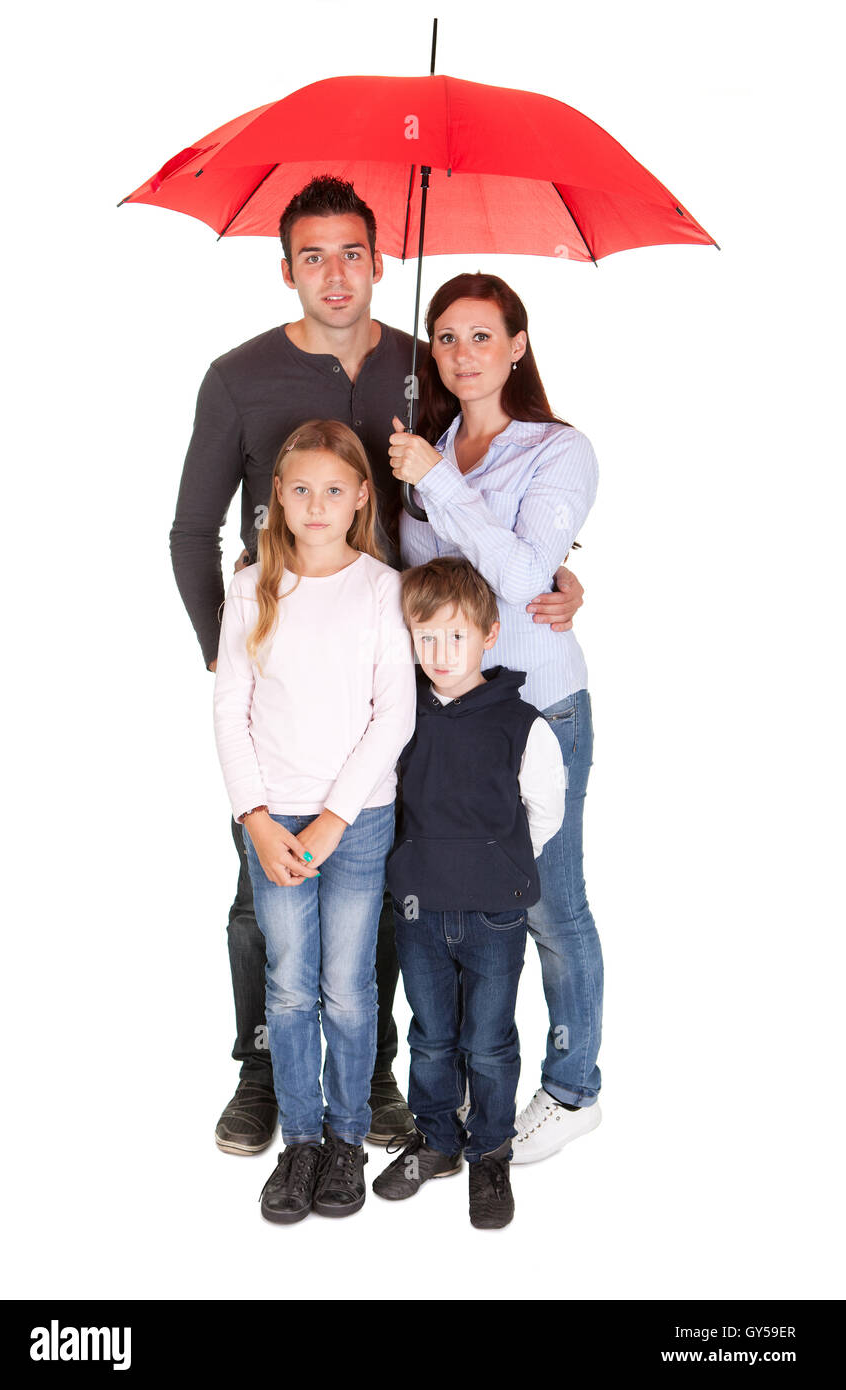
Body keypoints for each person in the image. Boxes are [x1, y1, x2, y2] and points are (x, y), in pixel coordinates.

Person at [170, 179, 586, 1153]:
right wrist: (234, 656)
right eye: (311, 256)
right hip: (281, 683)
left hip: (411, 677)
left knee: (394, 871)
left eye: (351, 252)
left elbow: (484, 483)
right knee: (260, 885)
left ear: (379, 261)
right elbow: (192, 530)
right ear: (286, 270)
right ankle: (264, 1067)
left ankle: (373, 1070)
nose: (335, 274)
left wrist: (559, 573)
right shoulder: (238, 377)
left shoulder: (420, 358)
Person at [389, 272, 604, 1163]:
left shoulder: (558, 449)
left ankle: (572, 1087)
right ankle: (454, 1086)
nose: (463, 354)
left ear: (518, 346)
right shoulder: (423, 447)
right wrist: (429, 473)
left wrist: (440, 482)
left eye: (483, 336)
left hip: (536, 707)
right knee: (453, 909)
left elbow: (518, 582)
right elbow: (427, 594)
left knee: (549, 904)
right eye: (446, 337)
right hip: (443, 719)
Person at [213, 419, 415, 1223]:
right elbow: (231, 709)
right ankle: (299, 1139)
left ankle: (345, 1139)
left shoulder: (382, 588)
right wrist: (257, 820)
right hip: (273, 815)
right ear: (278, 500)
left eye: (335, 489)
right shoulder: (252, 586)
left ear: (363, 496)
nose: (317, 503)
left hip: (357, 818)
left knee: (348, 986)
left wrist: (334, 818)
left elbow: (393, 714)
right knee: (289, 986)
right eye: (301, 489)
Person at [373, 557, 564, 1228]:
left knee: (487, 1040)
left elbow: (544, 809)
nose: (440, 654)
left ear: (489, 633)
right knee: (430, 1036)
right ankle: (436, 1142)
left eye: (455, 637)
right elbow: (388, 804)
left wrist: (497, 869)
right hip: (421, 912)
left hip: (494, 915)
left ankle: (490, 1151)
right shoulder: (401, 717)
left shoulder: (520, 722)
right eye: (425, 638)